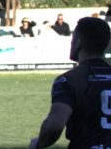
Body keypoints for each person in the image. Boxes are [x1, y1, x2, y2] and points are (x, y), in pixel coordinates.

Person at [30, 17, 111, 149]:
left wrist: (39, 143)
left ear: (78, 42)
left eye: (73, 39)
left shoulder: (69, 80)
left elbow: (55, 125)